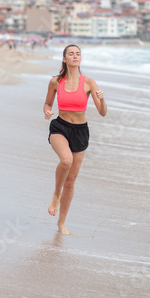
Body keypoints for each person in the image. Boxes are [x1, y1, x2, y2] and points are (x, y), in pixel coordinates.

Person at [43, 45, 107, 234]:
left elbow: (102, 112)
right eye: (71, 54)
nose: (75, 56)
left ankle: (61, 223)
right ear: (64, 59)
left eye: (78, 54)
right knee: (66, 160)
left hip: (80, 131)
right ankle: (56, 194)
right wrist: (47, 110)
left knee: (70, 182)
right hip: (60, 127)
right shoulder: (56, 81)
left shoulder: (89, 83)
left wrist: (102, 99)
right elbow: (48, 103)